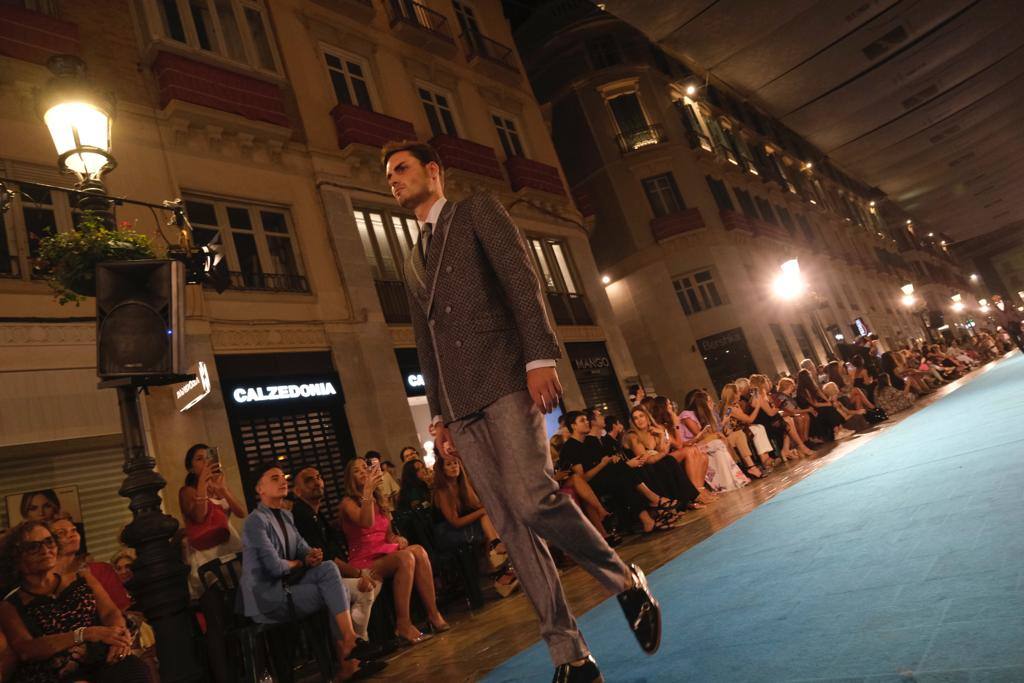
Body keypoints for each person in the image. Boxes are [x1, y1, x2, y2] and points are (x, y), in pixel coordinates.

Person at [385, 139, 659, 681]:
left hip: (507, 376)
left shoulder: (476, 210)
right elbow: (425, 341)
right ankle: (571, 656)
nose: (392, 178)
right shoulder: (412, 256)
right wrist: (437, 414)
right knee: (511, 528)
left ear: (433, 172)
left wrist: (540, 357)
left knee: (534, 499)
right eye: (387, 174)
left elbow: (520, 281)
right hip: (460, 407)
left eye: (401, 167)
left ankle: (624, 581)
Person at [240, 466, 382, 681]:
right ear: (260, 488)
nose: (282, 481)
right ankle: (349, 655)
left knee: (328, 568)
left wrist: (312, 554)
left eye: (283, 477)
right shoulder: (255, 521)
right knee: (336, 591)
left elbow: (302, 547)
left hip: (292, 585)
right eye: (274, 478)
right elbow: (273, 567)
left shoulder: (286, 517)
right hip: (269, 594)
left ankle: (350, 641)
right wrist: (301, 562)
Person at [0, 521, 150, 682]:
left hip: (101, 655)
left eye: (49, 541)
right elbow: (27, 649)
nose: (45, 550)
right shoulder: (11, 604)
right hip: (57, 672)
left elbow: (110, 612)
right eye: (33, 547)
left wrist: (118, 639)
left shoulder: (82, 578)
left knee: (133, 668)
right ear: (16, 556)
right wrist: (85, 633)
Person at [338, 458, 448, 646]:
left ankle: (433, 613)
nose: (364, 472)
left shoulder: (378, 499)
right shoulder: (348, 503)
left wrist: (397, 539)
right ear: (350, 478)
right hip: (365, 561)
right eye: (357, 471)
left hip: (384, 552)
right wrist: (367, 493)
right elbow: (367, 523)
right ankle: (403, 624)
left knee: (419, 551)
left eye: (365, 467)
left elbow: (386, 534)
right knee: (405, 557)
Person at [290, 467, 382, 648]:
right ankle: (355, 649)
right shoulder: (301, 515)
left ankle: (358, 647)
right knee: (364, 588)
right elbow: (326, 559)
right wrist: (358, 573)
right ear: (297, 491)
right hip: (311, 581)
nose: (317, 482)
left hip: (328, 575)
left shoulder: (316, 514)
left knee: (371, 581)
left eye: (319, 477)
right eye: (309, 480)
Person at [431, 456, 518, 597]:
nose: (454, 467)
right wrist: (483, 511)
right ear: (442, 470)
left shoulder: (463, 485)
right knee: (485, 517)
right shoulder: (442, 491)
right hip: (448, 532)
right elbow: (455, 522)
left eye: (456, 463)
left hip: (465, 527)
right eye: (449, 464)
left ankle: (498, 563)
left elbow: (477, 506)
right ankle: (498, 560)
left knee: (490, 516)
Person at [619, 406, 704, 509]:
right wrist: (662, 453)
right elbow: (646, 460)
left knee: (668, 461)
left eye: (641, 416)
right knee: (668, 461)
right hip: (640, 472)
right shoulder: (633, 436)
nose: (639, 420)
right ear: (633, 422)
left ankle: (688, 500)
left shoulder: (653, 431)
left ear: (647, 417)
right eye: (635, 418)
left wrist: (661, 435)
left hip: (655, 464)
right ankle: (689, 499)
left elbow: (662, 450)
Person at [50, 515, 131, 613]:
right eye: (61, 533)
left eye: (73, 530)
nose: (71, 535)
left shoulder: (101, 570)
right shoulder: (46, 580)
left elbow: (123, 608)